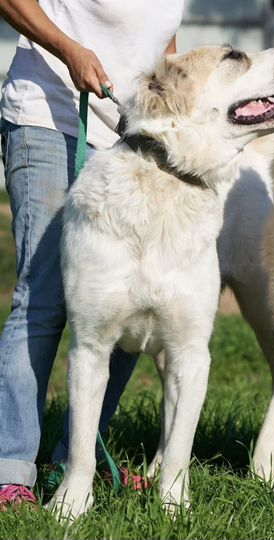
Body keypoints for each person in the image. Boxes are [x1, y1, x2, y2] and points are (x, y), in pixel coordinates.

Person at [0, 0, 185, 508]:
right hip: (49, 117)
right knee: (43, 297)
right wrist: (68, 49)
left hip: (129, 132)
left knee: (128, 302)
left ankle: (76, 456)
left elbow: (161, 46)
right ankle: (11, 469)